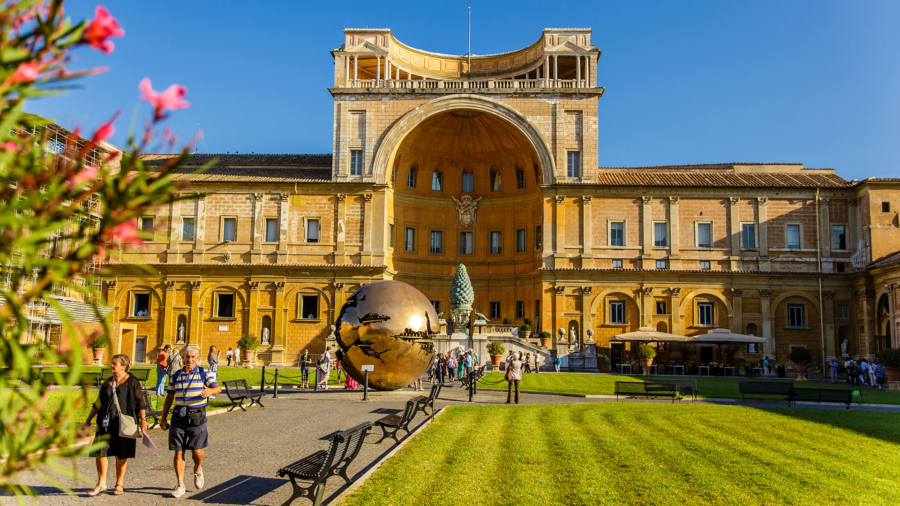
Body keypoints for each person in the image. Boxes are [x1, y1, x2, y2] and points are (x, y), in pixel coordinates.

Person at [83, 354, 148, 496]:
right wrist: (88, 419)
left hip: (124, 423)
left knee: (121, 453)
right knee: (100, 452)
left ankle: (119, 483)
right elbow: (99, 402)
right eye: (112, 364)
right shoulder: (108, 382)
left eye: (115, 364)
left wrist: (143, 420)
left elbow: (140, 402)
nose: (112, 366)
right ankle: (101, 483)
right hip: (105, 423)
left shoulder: (132, 382)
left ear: (124, 366)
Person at [160, 347, 221, 498]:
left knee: (197, 451)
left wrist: (210, 392)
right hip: (178, 416)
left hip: (197, 416)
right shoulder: (176, 375)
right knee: (178, 451)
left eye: (193, 356)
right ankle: (180, 484)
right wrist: (163, 418)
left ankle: (198, 469)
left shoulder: (203, 373)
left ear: (197, 358)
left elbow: (218, 388)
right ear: (183, 358)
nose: (190, 359)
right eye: (187, 356)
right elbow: (169, 397)